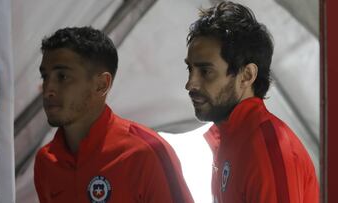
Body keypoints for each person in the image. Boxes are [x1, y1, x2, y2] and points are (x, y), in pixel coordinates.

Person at [34, 26, 194, 203]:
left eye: (62, 76)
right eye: (45, 76)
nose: (48, 89)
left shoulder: (146, 152)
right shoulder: (46, 161)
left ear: (101, 84)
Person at [184, 1, 319, 203]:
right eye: (190, 70)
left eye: (205, 71)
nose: (190, 84)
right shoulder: (231, 139)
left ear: (247, 75)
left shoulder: (269, 151)